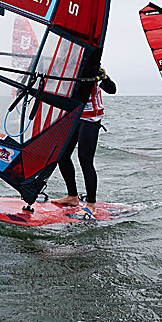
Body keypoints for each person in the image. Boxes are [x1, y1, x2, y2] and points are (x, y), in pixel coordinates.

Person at [52, 66, 116, 218]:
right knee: (62, 156)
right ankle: (72, 197)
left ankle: (91, 205)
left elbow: (112, 90)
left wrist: (105, 78)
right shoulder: (68, 70)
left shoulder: (93, 70)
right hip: (74, 118)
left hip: (90, 119)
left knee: (85, 159)